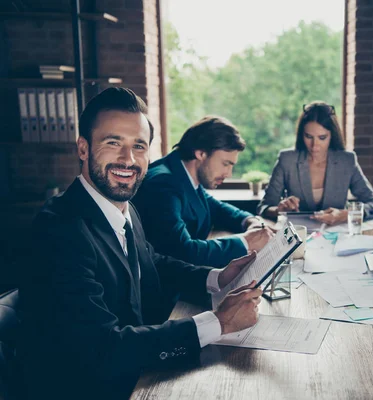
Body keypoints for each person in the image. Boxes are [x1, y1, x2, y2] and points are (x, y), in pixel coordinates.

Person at [18, 88, 262, 399]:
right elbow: (103, 349)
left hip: (135, 371)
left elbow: (151, 262)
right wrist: (218, 322)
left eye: (139, 146)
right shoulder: (59, 230)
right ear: (83, 148)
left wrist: (215, 277)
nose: (128, 159)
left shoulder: (122, 206)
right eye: (113, 143)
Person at [133, 116, 274, 268]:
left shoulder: (182, 173)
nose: (229, 174)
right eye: (226, 164)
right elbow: (183, 252)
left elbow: (217, 208)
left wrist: (250, 221)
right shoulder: (163, 184)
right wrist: (246, 242)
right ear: (201, 154)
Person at [257, 101, 373, 225]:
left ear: (332, 136)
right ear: (301, 135)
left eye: (322, 138)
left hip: (337, 237)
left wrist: (346, 215)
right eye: (309, 137)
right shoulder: (287, 160)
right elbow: (264, 207)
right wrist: (279, 210)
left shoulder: (347, 161)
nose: (314, 145)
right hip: (297, 235)